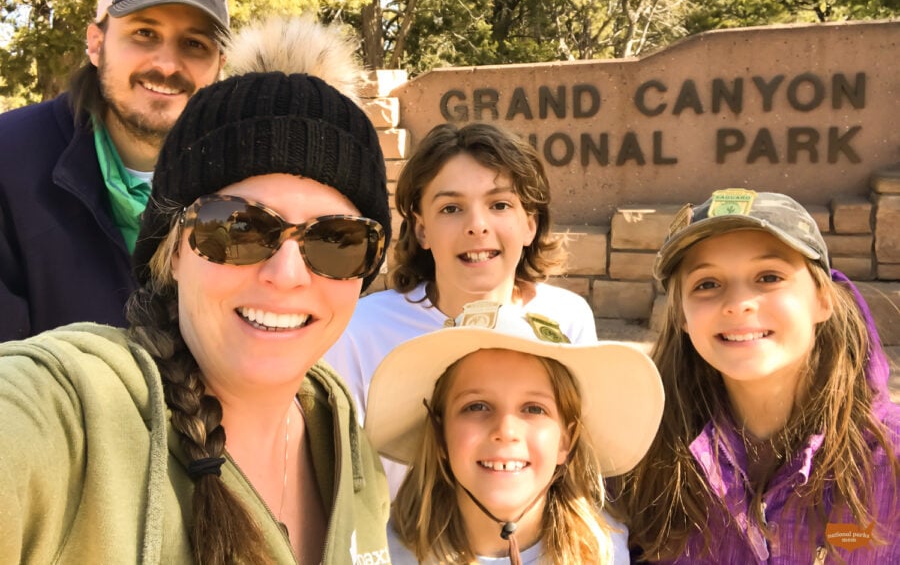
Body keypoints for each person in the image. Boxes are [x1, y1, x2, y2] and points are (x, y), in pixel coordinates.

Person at [0, 17, 393, 564]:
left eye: (337, 240)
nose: (287, 274)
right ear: (174, 248)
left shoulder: (343, 435)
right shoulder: (75, 414)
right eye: (239, 228)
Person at [614, 188, 899, 563]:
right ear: (682, 316)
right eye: (707, 284)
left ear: (823, 299)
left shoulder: (888, 457)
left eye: (768, 277)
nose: (737, 304)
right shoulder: (641, 457)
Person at [325, 122, 598, 490]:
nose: (477, 226)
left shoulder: (568, 318)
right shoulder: (361, 331)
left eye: (499, 205)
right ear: (421, 230)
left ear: (529, 225)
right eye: (451, 208)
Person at [0, 0, 229, 341]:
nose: (168, 65)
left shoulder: (244, 178)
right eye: (144, 33)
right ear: (96, 43)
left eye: (194, 44)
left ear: (219, 64)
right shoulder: (9, 160)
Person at [365, 300, 665, 564]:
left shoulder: (603, 552)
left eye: (534, 409)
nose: (505, 430)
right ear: (440, 434)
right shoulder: (381, 554)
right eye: (476, 406)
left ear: (566, 440)